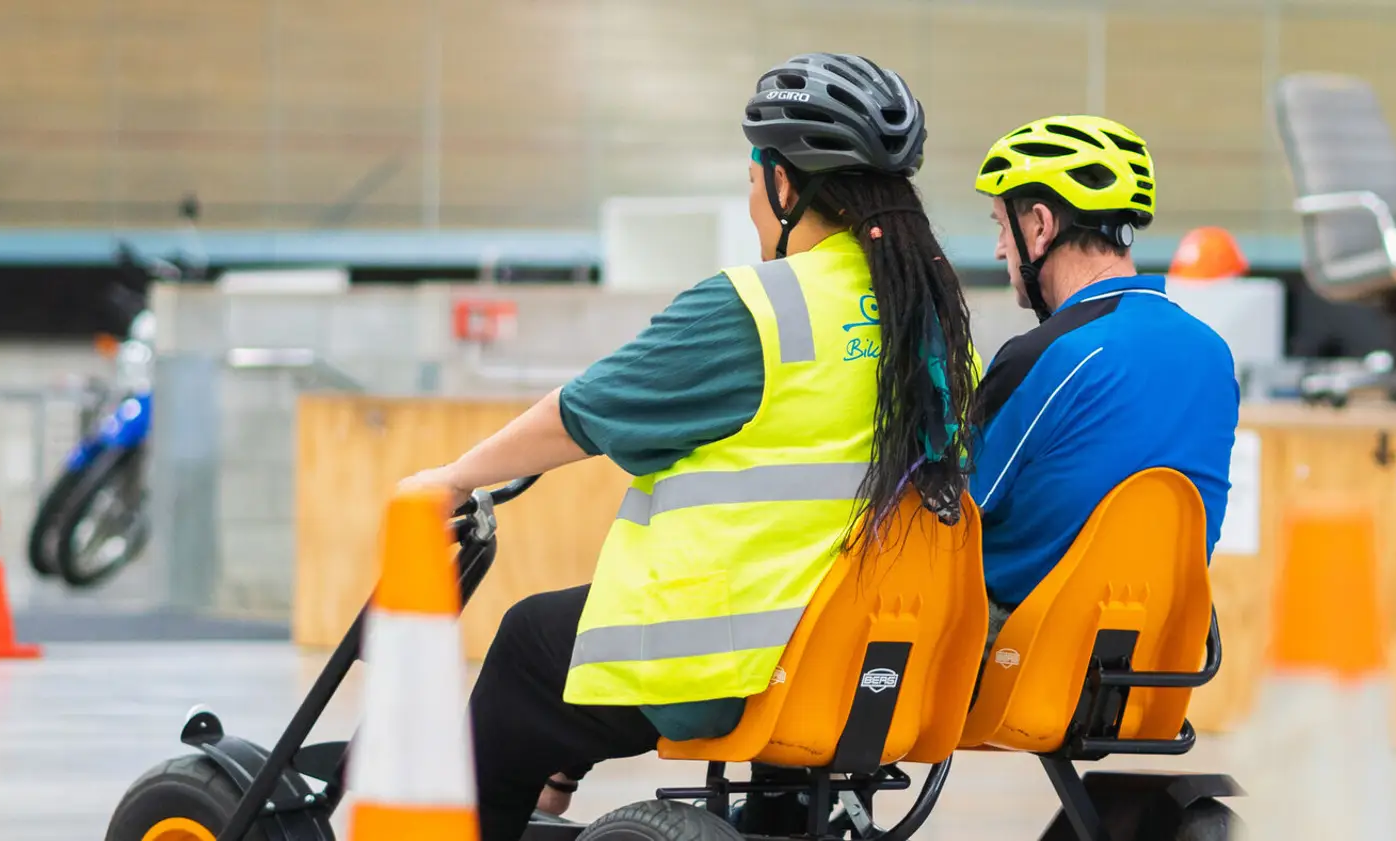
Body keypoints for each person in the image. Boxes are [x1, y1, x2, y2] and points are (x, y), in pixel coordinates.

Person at [397, 53, 980, 841]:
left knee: (532, 644)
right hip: (872, 654)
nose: (751, 200)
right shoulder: (934, 317)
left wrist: (453, 477)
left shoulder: (761, 309)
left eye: (752, 178)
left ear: (784, 182)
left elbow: (586, 411)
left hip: (725, 658)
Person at [967, 115, 1239, 638]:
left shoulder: (1046, 357)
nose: (1001, 247)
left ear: (1041, 226)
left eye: (1002, 225)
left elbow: (951, 514)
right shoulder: (1213, 354)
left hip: (1024, 662)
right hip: (1159, 655)